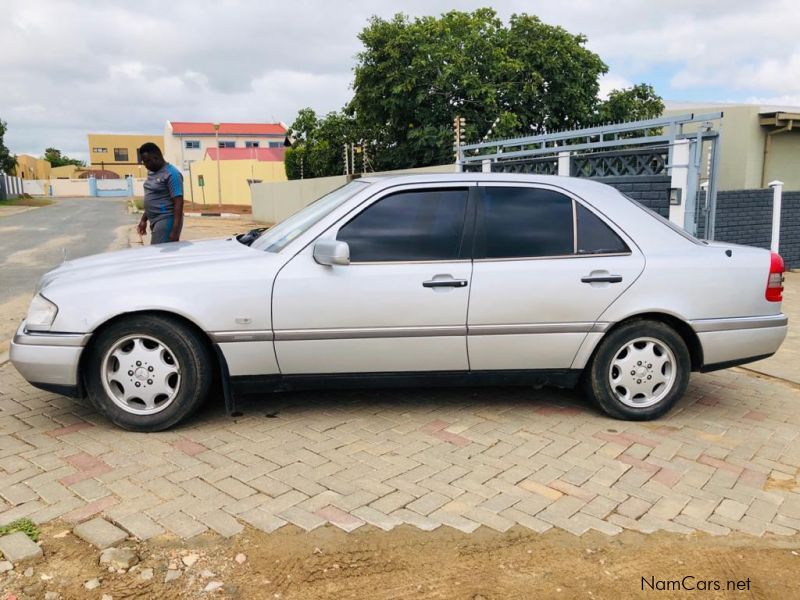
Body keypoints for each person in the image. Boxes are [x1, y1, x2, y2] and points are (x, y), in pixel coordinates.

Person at [137, 142, 184, 244]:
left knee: (157, 254)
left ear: (156, 157)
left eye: (147, 161)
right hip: (154, 220)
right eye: (144, 162)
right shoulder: (152, 172)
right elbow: (154, 198)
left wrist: (175, 231)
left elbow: (179, 203)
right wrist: (143, 220)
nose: (145, 165)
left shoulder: (172, 174)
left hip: (166, 219)